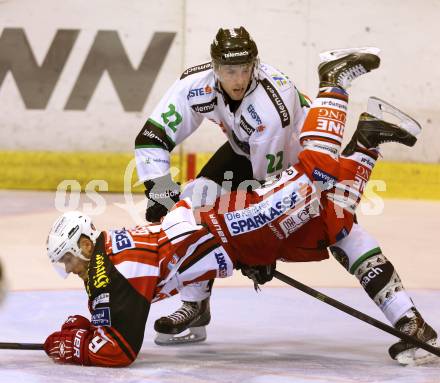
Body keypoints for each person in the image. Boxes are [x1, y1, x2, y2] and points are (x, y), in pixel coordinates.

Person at [45, 89, 432, 366]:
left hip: (235, 226)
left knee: (314, 183)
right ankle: (368, 141)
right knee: (327, 226)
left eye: (66, 258)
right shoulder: (111, 256)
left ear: (83, 242)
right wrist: (77, 329)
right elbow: (112, 312)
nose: (68, 268)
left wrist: (72, 345)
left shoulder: (116, 264)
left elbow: (120, 349)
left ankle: (335, 86)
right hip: (232, 235)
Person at [135, 26, 435, 364]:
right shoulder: (197, 84)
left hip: (302, 166)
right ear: (215, 67)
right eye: (229, 70)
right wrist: (160, 190)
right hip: (247, 152)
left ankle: (409, 321)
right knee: (191, 206)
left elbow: (269, 200)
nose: (237, 79)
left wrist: (260, 252)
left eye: (244, 69)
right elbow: (152, 137)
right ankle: (195, 304)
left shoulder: (269, 107)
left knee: (341, 232)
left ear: (255, 66)